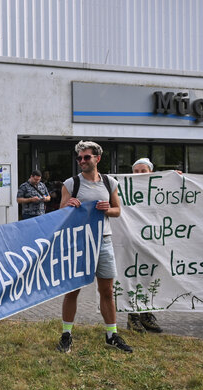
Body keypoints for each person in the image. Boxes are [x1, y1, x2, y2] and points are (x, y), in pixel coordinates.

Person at [57, 141, 132, 353]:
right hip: (79, 242)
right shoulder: (71, 184)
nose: (82, 161)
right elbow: (60, 213)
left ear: (97, 158)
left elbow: (118, 210)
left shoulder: (109, 182)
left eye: (86, 157)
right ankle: (66, 334)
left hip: (103, 240)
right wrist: (68, 207)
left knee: (107, 290)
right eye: (79, 158)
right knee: (72, 290)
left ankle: (112, 335)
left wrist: (108, 209)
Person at [125, 158, 163, 334]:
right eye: (136, 171)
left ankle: (146, 314)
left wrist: (177, 180)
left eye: (143, 171)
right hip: (131, 242)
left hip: (153, 242)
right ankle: (132, 316)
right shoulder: (124, 189)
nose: (139, 174)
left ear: (151, 173)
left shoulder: (160, 189)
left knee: (150, 279)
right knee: (133, 279)